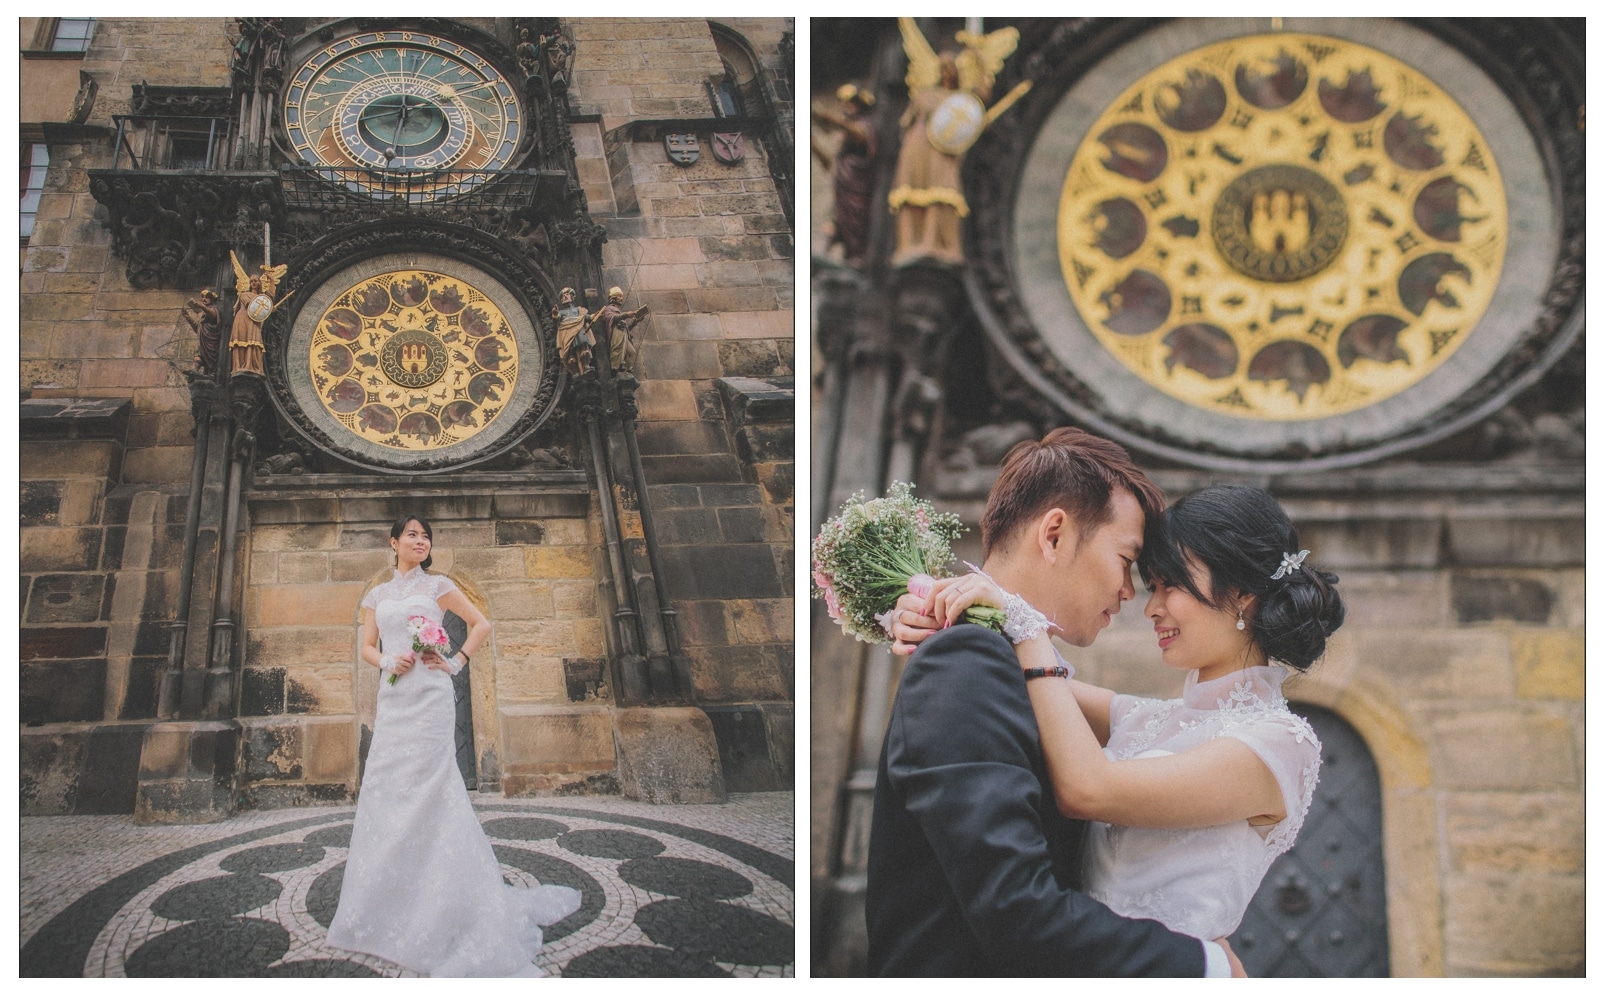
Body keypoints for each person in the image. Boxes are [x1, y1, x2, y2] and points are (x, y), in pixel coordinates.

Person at [890, 479, 1344, 961]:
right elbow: (1010, 682)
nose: (1151, 607)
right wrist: (932, 614)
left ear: (1242, 592)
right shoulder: (1150, 719)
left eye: (1172, 585)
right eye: (1153, 585)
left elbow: (1088, 788)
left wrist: (1026, 625)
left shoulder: (1278, 743)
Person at [866, 427, 1238, 976]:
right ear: (1056, 535)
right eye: (1125, 559)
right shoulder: (967, 659)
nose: (1131, 593)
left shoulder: (1006, 660)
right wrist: (1207, 967)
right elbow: (1016, 909)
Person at [326, 514, 580, 976]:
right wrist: (387, 658)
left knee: (432, 788)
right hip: (395, 695)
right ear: (394, 542)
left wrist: (456, 661)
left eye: (425, 536)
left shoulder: (437, 585)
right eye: (412, 535)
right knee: (388, 789)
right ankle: (389, 902)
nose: (420, 541)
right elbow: (366, 646)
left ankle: (446, 902)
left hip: (431, 696)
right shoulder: (377, 595)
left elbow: (480, 623)